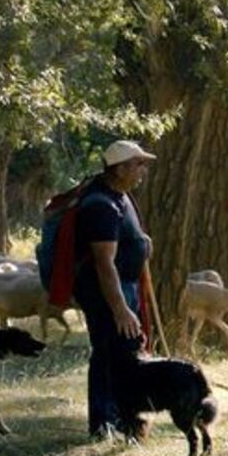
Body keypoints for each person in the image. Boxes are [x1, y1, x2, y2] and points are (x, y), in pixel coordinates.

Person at [74, 139, 155, 439]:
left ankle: (124, 420)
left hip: (125, 288)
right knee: (109, 354)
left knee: (125, 353)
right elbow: (104, 263)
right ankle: (103, 424)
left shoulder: (120, 197)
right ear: (119, 168)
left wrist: (142, 245)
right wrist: (120, 309)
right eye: (138, 164)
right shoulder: (100, 205)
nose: (142, 170)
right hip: (107, 293)